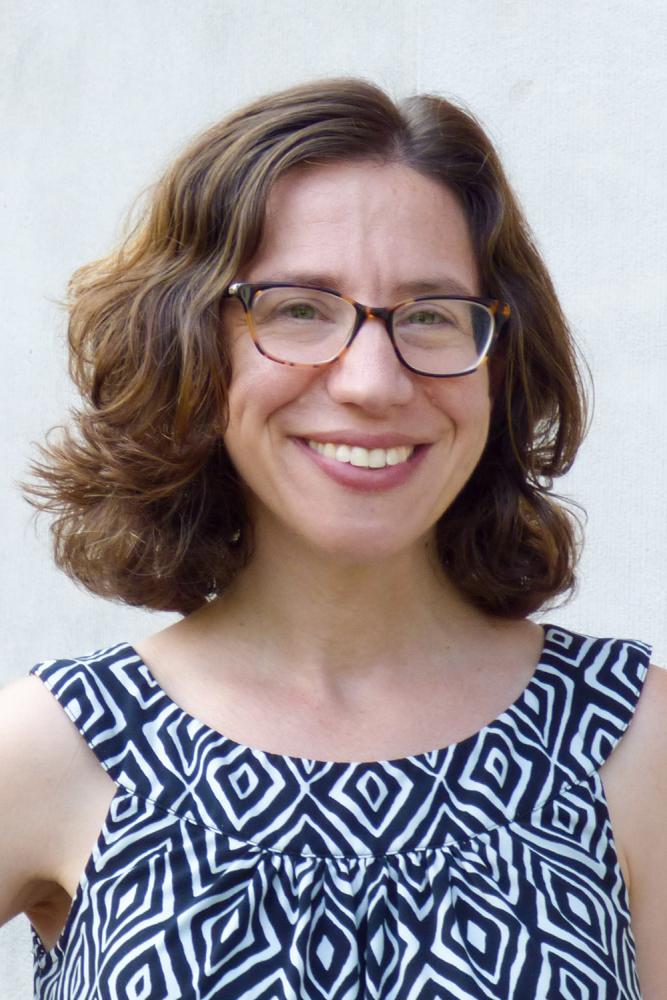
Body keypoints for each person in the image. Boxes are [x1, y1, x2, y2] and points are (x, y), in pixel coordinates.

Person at [0, 78, 664, 1000]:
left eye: (429, 315)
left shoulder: (633, 743)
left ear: (499, 365)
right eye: (298, 309)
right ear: (193, 345)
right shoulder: (56, 746)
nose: (370, 382)